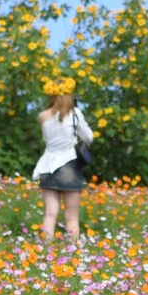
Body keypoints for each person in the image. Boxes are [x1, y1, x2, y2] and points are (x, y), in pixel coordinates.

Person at [31, 85, 94, 252]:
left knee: (49, 214)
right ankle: (72, 251)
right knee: (71, 217)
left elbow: (46, 139)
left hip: (48, 165)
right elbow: (88, 137)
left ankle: (46, 250)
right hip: (69, 166)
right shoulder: (75, 114)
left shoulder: (43, 116)